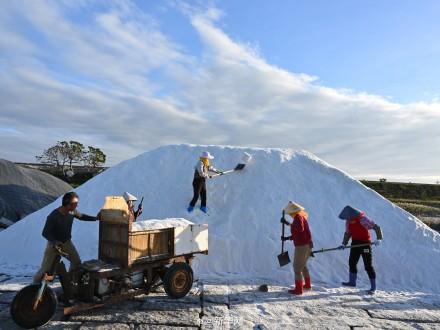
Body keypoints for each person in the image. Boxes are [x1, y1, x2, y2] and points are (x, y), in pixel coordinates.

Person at [33, 192, 99, 283]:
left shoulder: (72, 211)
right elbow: (45, 233)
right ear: (68, 204)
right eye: (75, 204)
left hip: (67, 243)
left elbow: (82, 216)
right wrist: (55, 242)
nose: (76, 206)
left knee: (76, 263)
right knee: (46, 269)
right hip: (53, 245)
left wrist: (95, 218)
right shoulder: (53, 216)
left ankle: (70, 283)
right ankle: (35, 288)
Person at [338, 205, 383, 294]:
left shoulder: (362, 219)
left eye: (348, 217)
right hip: (355, 244)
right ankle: (352, 282)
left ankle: (373, 288)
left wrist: (379, 238)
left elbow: (376, 227)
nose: (347, 219)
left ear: (351, 215)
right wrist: (344, 244)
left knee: (368, 265)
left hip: (365, 244)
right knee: (352, 262)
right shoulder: (348, 222)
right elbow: (348, 233)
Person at [281, 201, 313, 295]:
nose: (290, 214)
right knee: (303, 266)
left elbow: (299, 229)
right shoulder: (301, 217)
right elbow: (299, 233)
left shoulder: (298, 218)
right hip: (307, 244)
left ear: (293, 211)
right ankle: (307, 285)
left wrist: (287, 223)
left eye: (290, 213)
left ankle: (298, 290)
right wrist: (287, 238)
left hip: (302, 246)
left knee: (297, 268)